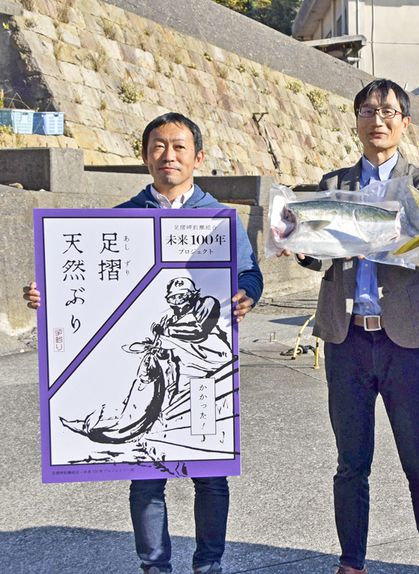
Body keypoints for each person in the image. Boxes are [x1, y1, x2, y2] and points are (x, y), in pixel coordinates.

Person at [24, 112, 263, 574]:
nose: (168, 156)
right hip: (151, 367)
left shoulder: (219, 219)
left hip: (203, 372)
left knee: (210, 477)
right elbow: (90, 286)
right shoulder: (122, 218)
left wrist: (247, 293)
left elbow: (249, 272)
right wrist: (46, 293)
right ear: (144, 155)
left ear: (198, 156)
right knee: (146, 480)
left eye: (178, 147)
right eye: (158, 146)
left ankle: (208, 565)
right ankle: (154, 566)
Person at [281, 79, 419, 574]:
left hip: (407, 342)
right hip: (347, 337)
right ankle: (352, 561)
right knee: (351, 463)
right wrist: (301, 246)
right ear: (355, 120)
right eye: (367, 111)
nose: (377, 120)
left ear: (404, 122)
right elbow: (319, 258)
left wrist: (368, 237)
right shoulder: (332, 185)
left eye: (388, 111)